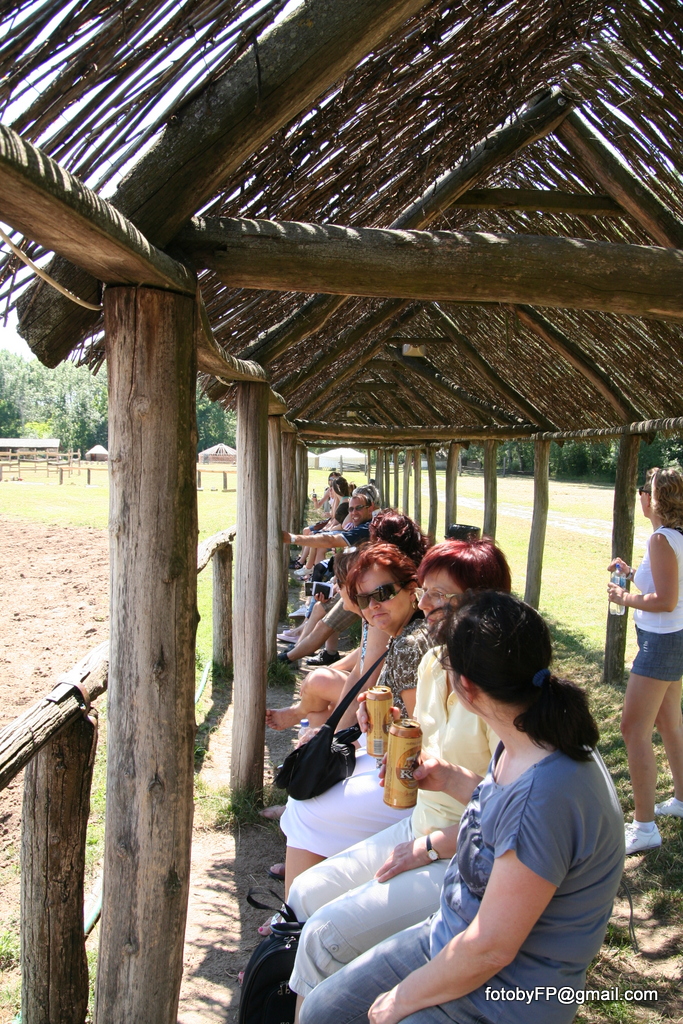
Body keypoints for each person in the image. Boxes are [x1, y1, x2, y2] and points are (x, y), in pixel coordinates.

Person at [299, 591, 625, 1024]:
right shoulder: (529, 734)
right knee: (322, 1010)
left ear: (466, 688)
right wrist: (451, 780)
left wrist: (400, 999)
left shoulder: (545, 793)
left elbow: (491, 948)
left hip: (503, 995)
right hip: (449, 936)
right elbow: (500, 818)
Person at [286, 539, 512, 996]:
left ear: (484, 602)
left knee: (322, 938)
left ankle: (306, 990)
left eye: (439, 595)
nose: (425, 605)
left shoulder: (501, 692)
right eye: (425, 591)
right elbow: (422, 741)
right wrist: (387, 726)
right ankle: (289, 970)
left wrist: (429, 846)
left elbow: (513, 814)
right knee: (304, 893)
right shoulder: (434, 662)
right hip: (419, 824)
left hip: (467, 852)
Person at [276, 543, 432, 899]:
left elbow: (420, 733)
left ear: (411, 588)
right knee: (307, 796)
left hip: (409, 780)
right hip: (394, 762)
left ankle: (296, 911)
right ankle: (302, 903)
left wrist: (367, 732)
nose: (373, 605)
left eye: (383, 593)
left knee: (306, 805)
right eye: (364, 599)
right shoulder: (402, 634)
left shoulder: (409, 645)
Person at [607, 465, 683, 854]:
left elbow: (665, 600)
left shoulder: (661, 538)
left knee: (632, 729)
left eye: (644, 489)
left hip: (661, 643)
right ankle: (681, 800)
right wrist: (631, 573)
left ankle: (644, 826)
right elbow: (663, 585)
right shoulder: (672, 537)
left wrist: (624, 598)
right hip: (673, 639)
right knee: (670, 723)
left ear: (654, 499)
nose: (640, 495)